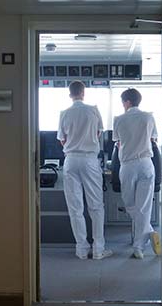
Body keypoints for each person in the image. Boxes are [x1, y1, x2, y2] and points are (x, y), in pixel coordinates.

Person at [57, 80, 113, 260]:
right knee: (96, 206)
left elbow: (62, 140)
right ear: (83, 93)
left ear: (70, 94)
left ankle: (81, 249)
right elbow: (98, 134)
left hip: (70, 160)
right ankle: (98, 249)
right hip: (89, 160)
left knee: (75, 207)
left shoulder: (64, 113)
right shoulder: (93, 110)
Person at [113, 88, 161, 259]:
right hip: (147, 164)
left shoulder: (118, 119)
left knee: (129, 204)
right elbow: (153, 140)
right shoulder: (149, 117)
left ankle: (144, 238)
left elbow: (118, 143)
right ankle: (140, 245)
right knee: (144, 206)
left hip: (128, 165)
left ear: (126, 102)